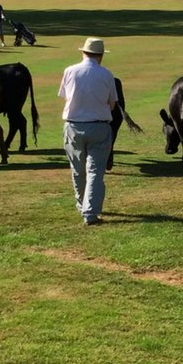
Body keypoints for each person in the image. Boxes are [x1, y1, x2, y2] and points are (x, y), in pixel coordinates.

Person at [58, 37, 118, 226]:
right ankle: (90, 212)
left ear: (83, 52)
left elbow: (66, 97)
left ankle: (81, 204)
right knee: (95, 171)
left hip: (74, 125)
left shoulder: (70, 71)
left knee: (77, 170)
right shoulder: (107, 74)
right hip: (99, 125)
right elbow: (112, 104)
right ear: (100, 56)